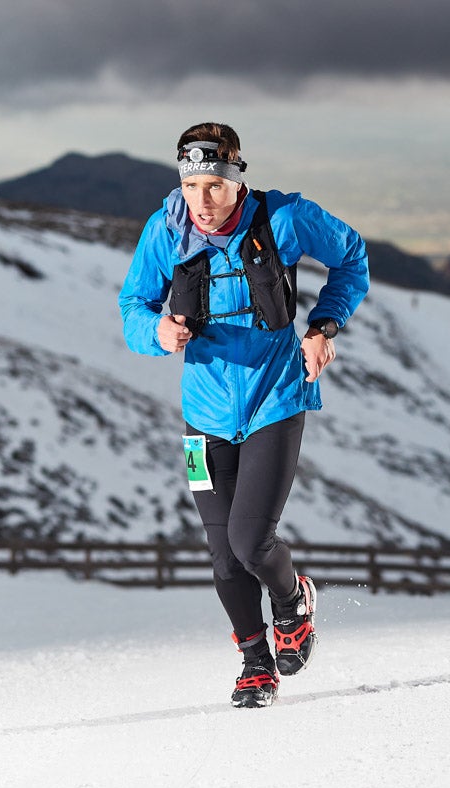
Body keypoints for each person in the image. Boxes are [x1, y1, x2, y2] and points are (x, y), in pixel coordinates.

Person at [118, 122, 369, 707]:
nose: (202, 202)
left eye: (215, 186)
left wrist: (323, 326)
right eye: (191, 186)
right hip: (204, 414)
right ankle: (256, 664)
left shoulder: (284, 219)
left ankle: (293, 605)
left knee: (251, 540)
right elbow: (133, 303)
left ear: (238, 179)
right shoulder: (165, 232)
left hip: (275, 399)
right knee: (225, 554)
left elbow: (351, 258)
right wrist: (156, 331)